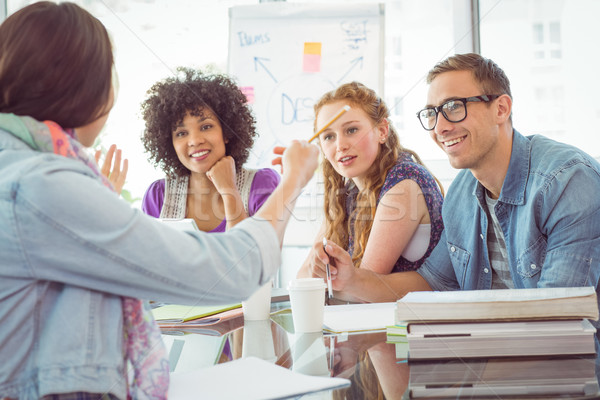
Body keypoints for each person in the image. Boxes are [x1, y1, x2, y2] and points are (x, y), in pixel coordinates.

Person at [0, 2, 319, 399]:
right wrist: (296, 180)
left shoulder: (25, 168)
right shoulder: (46, 184)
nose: (195, 140)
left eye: (206, 126)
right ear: (93, 90)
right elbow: (232, 269)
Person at [320, 53, 600, 324]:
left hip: (561, 364)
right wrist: (352, 280)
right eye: (432, 113)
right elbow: (432, 282)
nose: (440, 127)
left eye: (454, 107)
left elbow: (560, 315)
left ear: (501, 109)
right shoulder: (461, 194)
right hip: (487, 355)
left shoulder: (567, 181)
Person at [297, 82, 444, 303]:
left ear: (382, 131)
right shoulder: (351, 191)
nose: (340, 145)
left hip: (414, 327)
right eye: (328, 136)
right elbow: (301, 282)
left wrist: (320, 284)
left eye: (351, 130)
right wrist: (315, 271)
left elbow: (362, 292)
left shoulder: (404, 182)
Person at [140, 68, 280, 232]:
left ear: (226, 132)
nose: (194, 141)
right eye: (181, 133)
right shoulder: (158, 196)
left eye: (206, 127)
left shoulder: (261, 184)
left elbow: (254, 255)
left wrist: (229, 191)